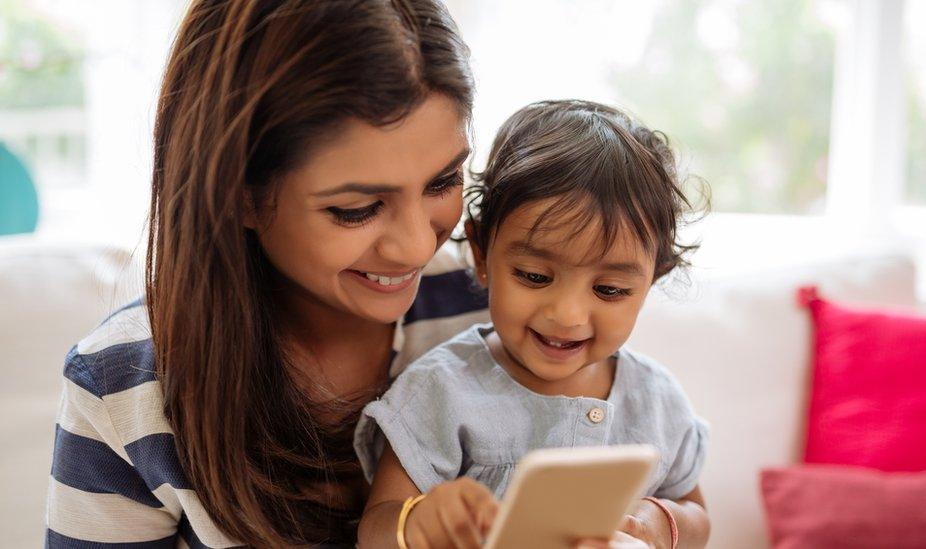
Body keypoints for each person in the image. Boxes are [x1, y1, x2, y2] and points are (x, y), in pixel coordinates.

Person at [46, 1, 486, 546]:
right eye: (356, 209)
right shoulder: (124, 387)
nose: (418, 244)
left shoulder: (496, 308)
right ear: (239, 196)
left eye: (443, 182)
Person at [356, 100, 712, 549]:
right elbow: (374, 527)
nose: (566, 315)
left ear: (650, 282)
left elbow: (698, 517)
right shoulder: (441, 390)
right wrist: (420, 520)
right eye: (535, 277)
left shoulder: (657, 401)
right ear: (482, 256)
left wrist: (659, 522)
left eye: (610, 290)